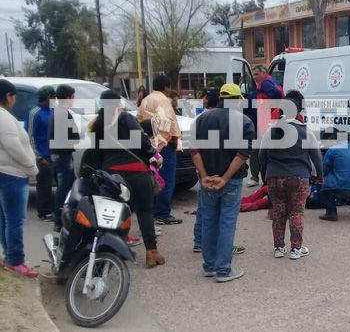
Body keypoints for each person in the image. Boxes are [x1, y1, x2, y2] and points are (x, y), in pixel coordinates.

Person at [90, 90, 165, 268]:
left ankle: (120, 248)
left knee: (118, 212)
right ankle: (151, 252)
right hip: (135, 173)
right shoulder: (125, 118)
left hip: (112, 176)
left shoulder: (98, 124)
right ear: (117, 103)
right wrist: (154, 156)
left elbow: (96, 154)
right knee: (145, 211)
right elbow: (142, 142)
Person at [191, 83, 254, 282]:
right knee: (227, 223)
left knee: (208, 221)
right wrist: (225, 178)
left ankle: (209, 266)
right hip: (231, 182)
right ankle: (223, 270)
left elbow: (194, 150)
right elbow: (243, 154)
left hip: (207, 181)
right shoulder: (244, 121)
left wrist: (204, 176)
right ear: (236, 100)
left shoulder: (200, 120)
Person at [259, 90, 322, 258]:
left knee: (278, 212)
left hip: (274, 177)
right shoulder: (305, 131)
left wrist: (264, 175)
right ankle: (296, 249)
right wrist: (320, 176)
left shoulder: (270, 131)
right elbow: (316, 156)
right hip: (299, 177)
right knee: (296, 212)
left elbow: (261, 155)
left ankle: (279, 248)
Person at [0, 80, 40, 277]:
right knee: (15, 220)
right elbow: (13, 146)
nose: (14, 100)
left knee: (5, 218)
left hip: (5, 173)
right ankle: (16, 259)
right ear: (8, 96)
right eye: (13, 96)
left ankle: (9, 255)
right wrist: (32, 167)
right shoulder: (4, 118)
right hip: (12, 175)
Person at [137, 75, 183, 225]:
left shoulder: (145, 100)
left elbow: (139, 121)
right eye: (169, 87)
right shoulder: (164, 101)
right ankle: (162, 213)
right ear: (166, 87)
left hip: (148, 145)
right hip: (164, 146)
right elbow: (168, 126)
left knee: (153, 179)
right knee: (165, 180)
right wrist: (172, 142)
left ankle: (154, 211)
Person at [49, 84, 80, 232]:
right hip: (64, 156)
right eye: (73, 97)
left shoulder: (57, 112)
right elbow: (72, 135)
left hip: (61, 155)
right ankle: (60, 220)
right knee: (64, 189)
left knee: (71, 187)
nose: (74, 99)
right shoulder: (63, 113)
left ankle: (69, 216)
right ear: (68, 97)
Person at [247, 65, 284, 188]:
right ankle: (264, 177)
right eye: (253, 75)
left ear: (264, 73)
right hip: (266, 120)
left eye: (256, 74)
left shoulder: (266, 83)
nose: (254, 77)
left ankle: (256, 177)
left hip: (264, 121)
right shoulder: (270, 82)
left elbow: (277, 94)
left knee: (256, 151)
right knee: (262, 150)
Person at [317, 139, 350, 221]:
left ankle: (331, 212)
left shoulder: (332, 149)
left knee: (320, 183)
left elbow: (324, 170)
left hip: (342, 188)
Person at [26, 85, 55, 222]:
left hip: (53, 154)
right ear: (48, 97)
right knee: (43, 185)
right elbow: (30, 137)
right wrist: (38, 157)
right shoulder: (35, 113)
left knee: (51, 184)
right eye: (53, 97)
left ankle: (52, 209)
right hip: (42, 156)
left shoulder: (52, 111)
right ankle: (44, 212)